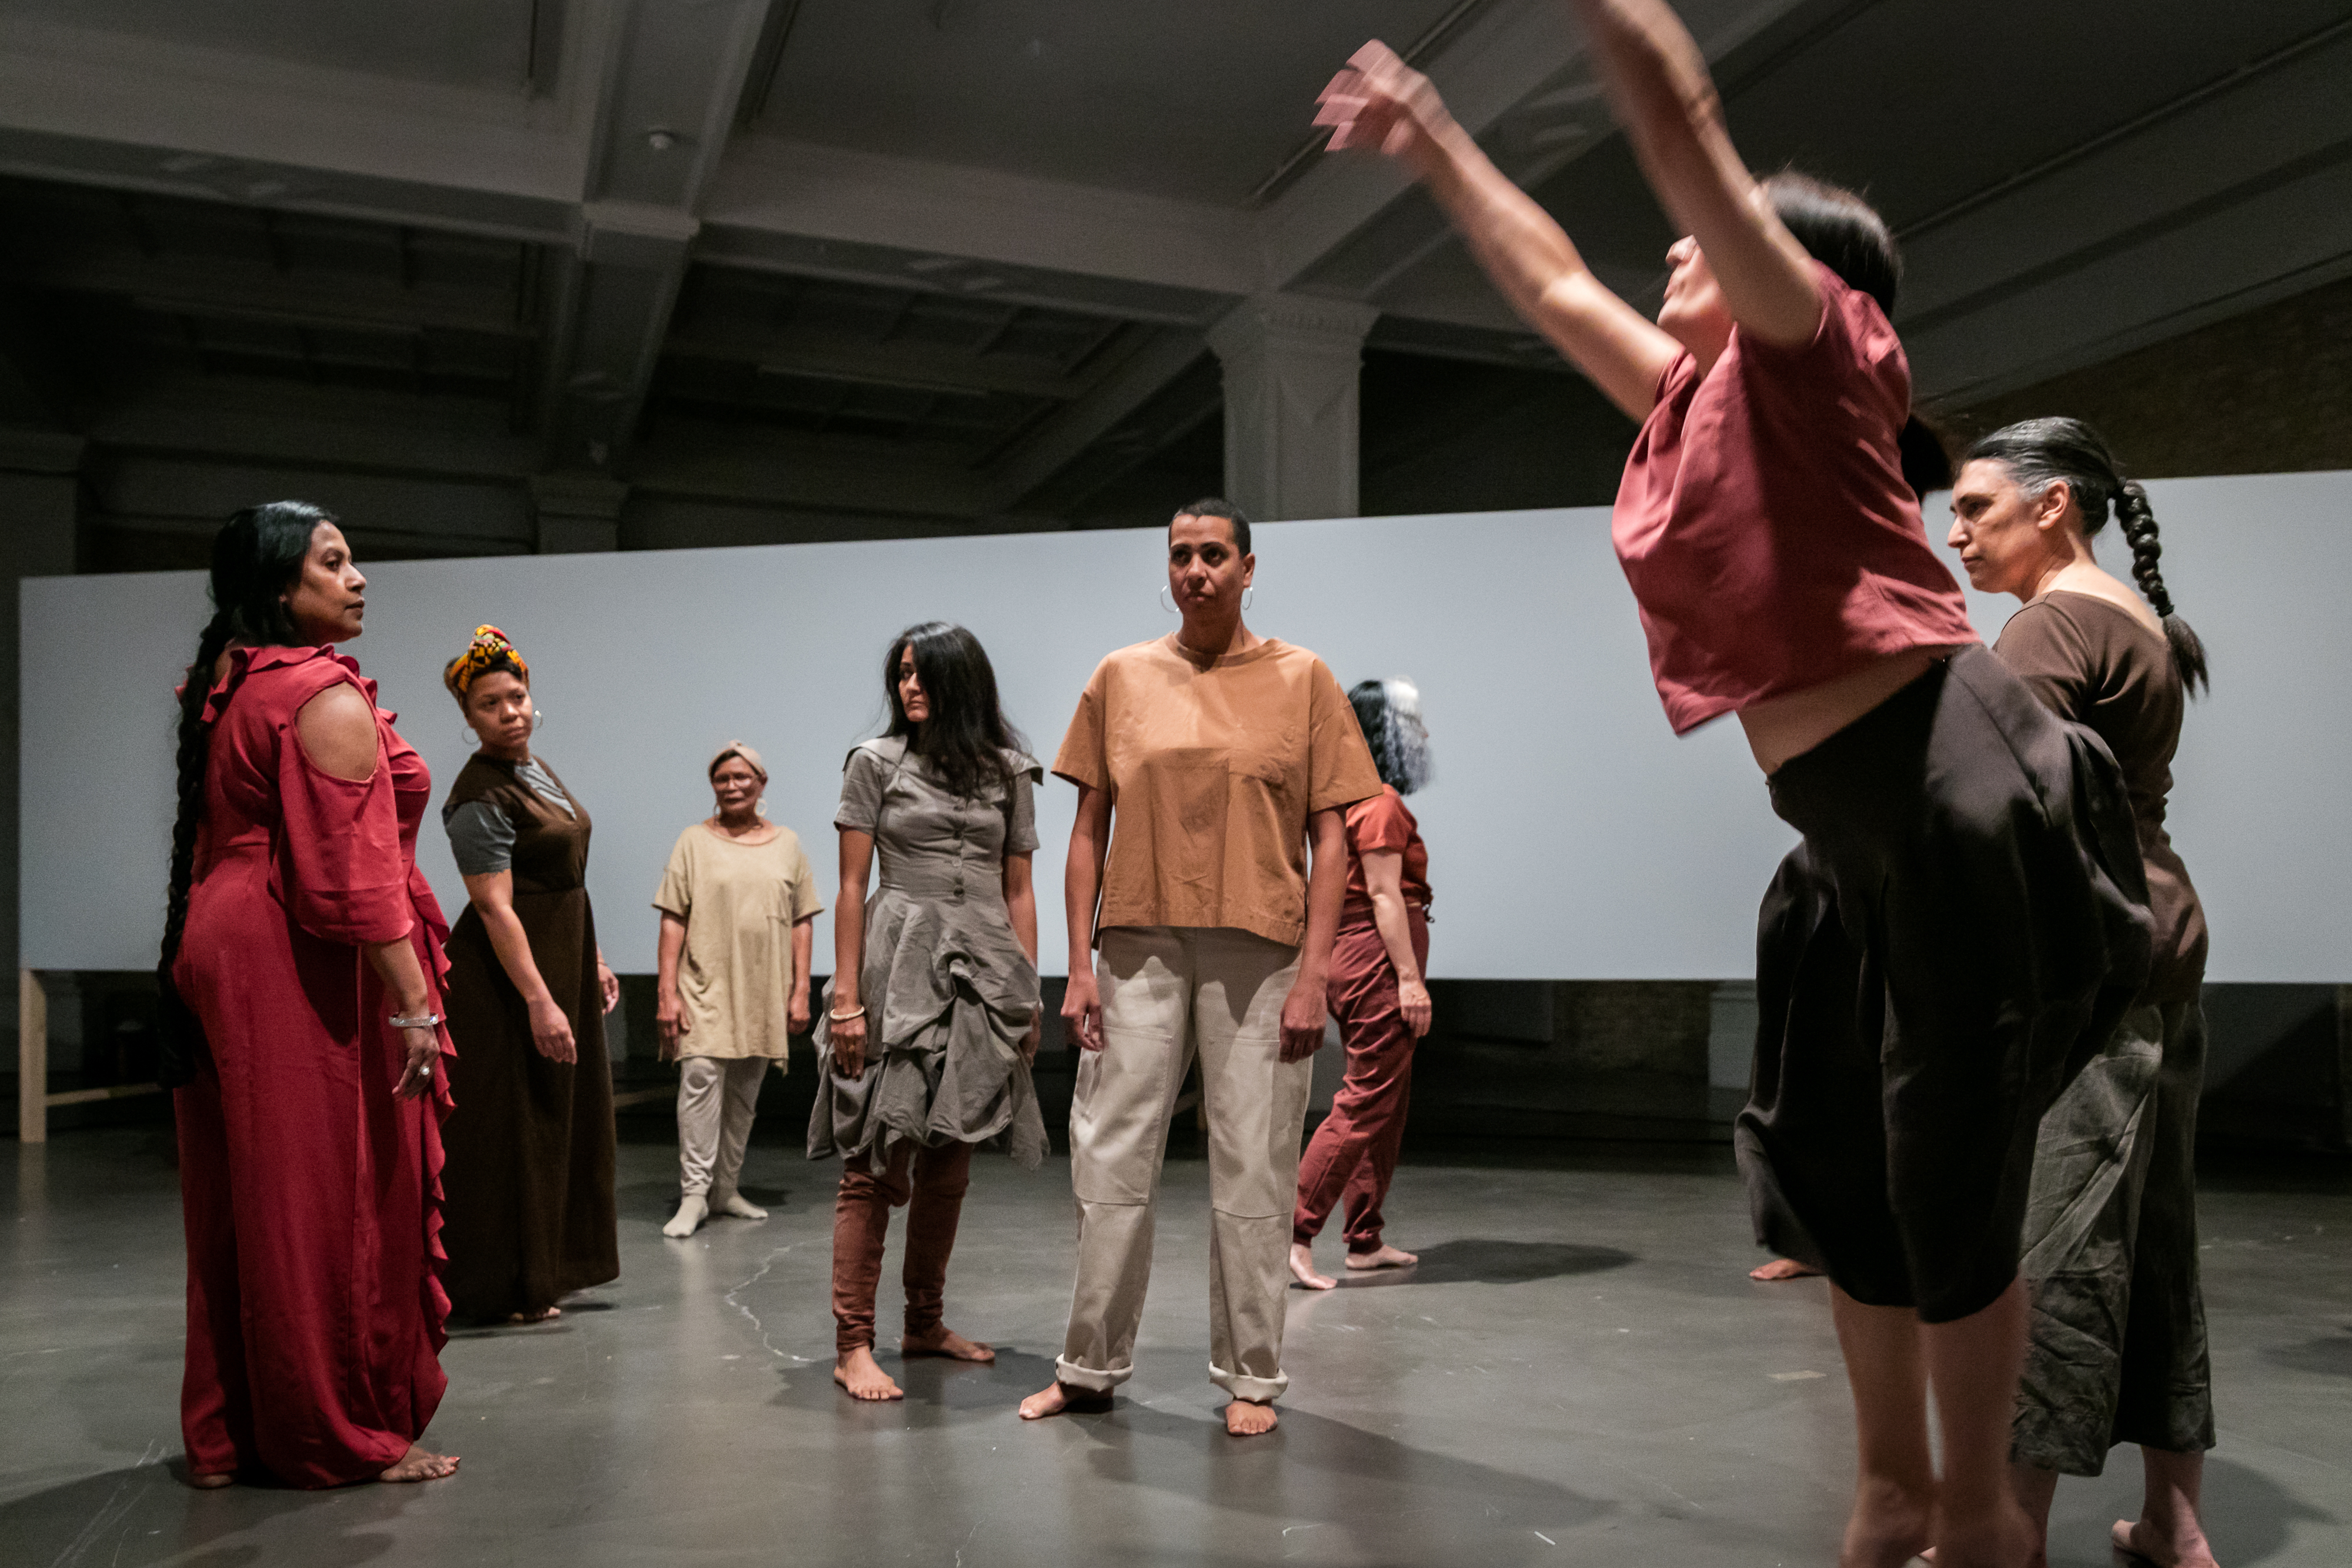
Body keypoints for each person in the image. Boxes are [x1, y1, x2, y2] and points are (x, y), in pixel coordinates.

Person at [1316, 8, 2149, 1562]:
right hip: (1839, 832)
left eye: (1721, 237)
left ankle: (1981, 1514)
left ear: (1807, 272)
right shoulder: (1688, 406)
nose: (1678, 252)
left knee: (1948, 1174)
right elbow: (1557, 279)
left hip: (1957, 790)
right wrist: (1430, 134)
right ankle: (1892, 1480)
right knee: (1838, 1169)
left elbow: (1683, 129)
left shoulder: (1819, 353)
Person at [1019, 499, 1384, 1438]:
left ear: (1249, 567)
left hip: (1260, 950)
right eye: (1181, 555)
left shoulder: (1303, 678)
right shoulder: (1123, 675)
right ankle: (1089, 1366)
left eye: (1214, 554)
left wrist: (1315, 977)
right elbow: (1086, 829)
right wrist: (1079, 966)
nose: (1196, 570)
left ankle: (1253, 1375)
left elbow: (1333, 835)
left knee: (1254, 1164)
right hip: (1136, 940)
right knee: (1109, 1157)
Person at [1947, 418, 2218, 1568]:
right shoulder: (2130, 615)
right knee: (2151, 1241)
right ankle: (2172, 1519)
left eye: (1973, 507)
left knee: (2051, 1241)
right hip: (2155, 944)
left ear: (2050, 502)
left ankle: (2006, 1530)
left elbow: (1991, 806)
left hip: (2087, 965)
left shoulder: (2049, 621)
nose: (1952, 530)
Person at [156, 502, 459, 1487]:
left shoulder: (236, 680)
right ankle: (326, 1433)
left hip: (233, 935)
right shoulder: (319, 693)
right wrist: (415, 1002)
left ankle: (229, 1431)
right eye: (334, 562)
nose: (359, 576)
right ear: (284, 590)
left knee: (250, 1199)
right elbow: (352, 881)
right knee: (317, 1203)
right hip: (290, 952)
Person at [811, 622, 1050, 1402]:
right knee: (875, 1160)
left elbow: (1018, 889)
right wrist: (845, 997)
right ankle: (853, 1343)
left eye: (923, 675)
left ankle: (924, 1320)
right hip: (899, 960)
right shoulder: (873, 762)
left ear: (961, 683)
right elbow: (850, 886)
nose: (909, 687)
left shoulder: (1010, 771)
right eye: (902, 675)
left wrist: (1027, 990)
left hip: (983, 969)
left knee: (951, 1159)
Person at [436, 625, 620, 1324]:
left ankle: (547, 1271)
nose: (510, 712)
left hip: (562, 951)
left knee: (560, 1117)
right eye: (490, 704)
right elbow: (493, 907)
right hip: (508, 979)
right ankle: (503, 1283)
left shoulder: (535, 770)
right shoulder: (479, 792)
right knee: (513, 1126)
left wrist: (592, 958)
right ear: (469, 718)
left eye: (516, 697)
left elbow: (564, 872)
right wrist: (541, 1000)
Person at [1290, 678, 1436, 1290]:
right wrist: (1409, 981)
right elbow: (1382, 894)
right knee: (1365, 1099)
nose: (1423, 736)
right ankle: (1294, 1234)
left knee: (1385, 1103)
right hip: (1375, 959)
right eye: (1414, 725)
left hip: (1361, 957)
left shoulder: (1353, 800)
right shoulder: (1377, 802)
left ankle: (1364, 1239)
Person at [653, 743, 823, 1238]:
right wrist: (667, 991)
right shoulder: (693, 840)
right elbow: (673, 919)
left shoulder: (787, 843)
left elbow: (802, 921)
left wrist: (799, 992)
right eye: (722, 778)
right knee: (701, 1080)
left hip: (762, 988)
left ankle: (725, 1189)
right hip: (704, 985)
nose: (731, 786)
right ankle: (693, 1194)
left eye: (741, 777)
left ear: (761, 783)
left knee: (745, 1092)